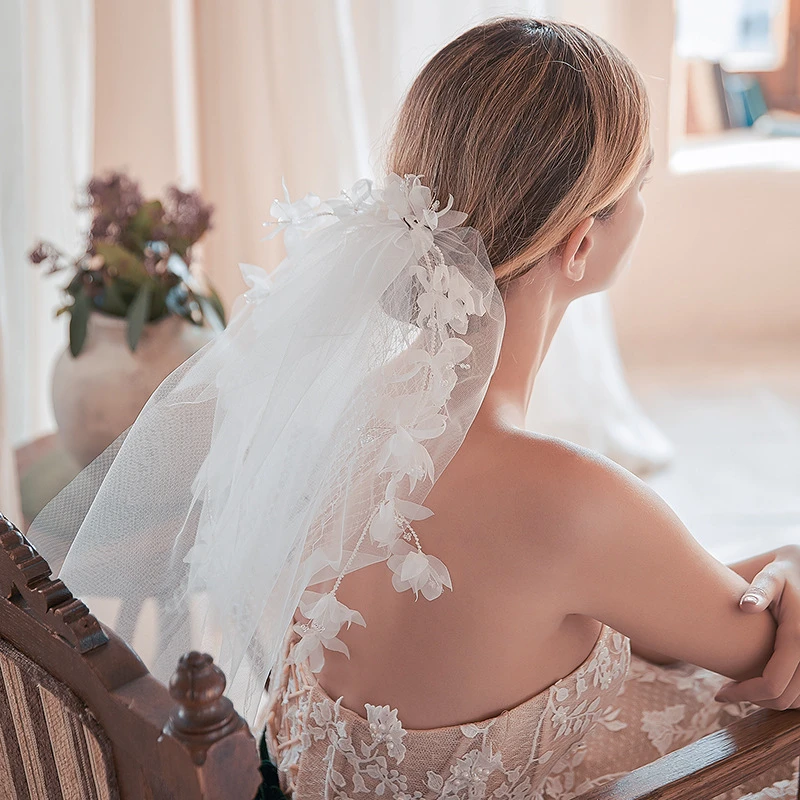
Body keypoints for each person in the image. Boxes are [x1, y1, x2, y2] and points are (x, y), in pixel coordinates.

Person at [30, 17, 800, 800]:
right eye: (638, 188)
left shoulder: (323, 422)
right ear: (578, 246)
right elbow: (766, 647)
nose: (642, 206)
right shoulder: (577, 505)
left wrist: (777, 568)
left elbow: (656, 591)